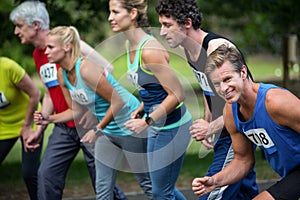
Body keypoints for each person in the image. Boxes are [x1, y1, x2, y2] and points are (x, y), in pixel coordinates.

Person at [9, 1, 125, 200]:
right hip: (64, 128)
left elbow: (106, 69)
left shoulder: (66, 42)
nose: (16, 31)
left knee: (103, 185)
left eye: (20, 26)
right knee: (46, 177)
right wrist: (40, 129)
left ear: (35, 25)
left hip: (90, 126)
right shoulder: (39, 54)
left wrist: (91, 110)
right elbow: (48, 93)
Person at [34, 25, 153, 200]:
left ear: (67, 47)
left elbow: (117, 102)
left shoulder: (86, 69)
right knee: (103, 190)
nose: (46, 52)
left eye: (51, 47)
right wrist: (49, 118)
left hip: (129, 124)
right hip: (107, 131)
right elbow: (75, 111)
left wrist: (97, 129)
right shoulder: (62, 75)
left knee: (148, 185)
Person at [156, 0, 258, 199]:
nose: (162, 32)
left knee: (211, 192)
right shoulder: (189, 49)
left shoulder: (217, 48)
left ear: (186, 22)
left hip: (236, 131)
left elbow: (247, 99)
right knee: (243, 195)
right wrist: (208, 122)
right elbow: (206, 88)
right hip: (224, 129)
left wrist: (211, 127)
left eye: (167, 25)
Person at [192, 43, 300, 200]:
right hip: (292, 173)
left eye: (227, 79)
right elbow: (243, 160)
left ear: (243, 72)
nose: (223, 88)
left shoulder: (275, 102)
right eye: (216, 84)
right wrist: (215, 181)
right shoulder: (230, 111)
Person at [108, 0, 193, 199]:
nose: (110, 18)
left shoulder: (150, 50)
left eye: (115, 12)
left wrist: (146, 121)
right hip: (157, 126)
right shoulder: (130, 44)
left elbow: (177, 94)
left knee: (160, 192)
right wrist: (142, 106)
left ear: (132, 13)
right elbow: (153, 87)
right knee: (162, 190)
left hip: (173, 127)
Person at [0, 56, 42, 200]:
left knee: (29, 173)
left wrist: (27, 126)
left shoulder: (7, 67)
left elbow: (35, 94)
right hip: (4, 127)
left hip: (30, 121)